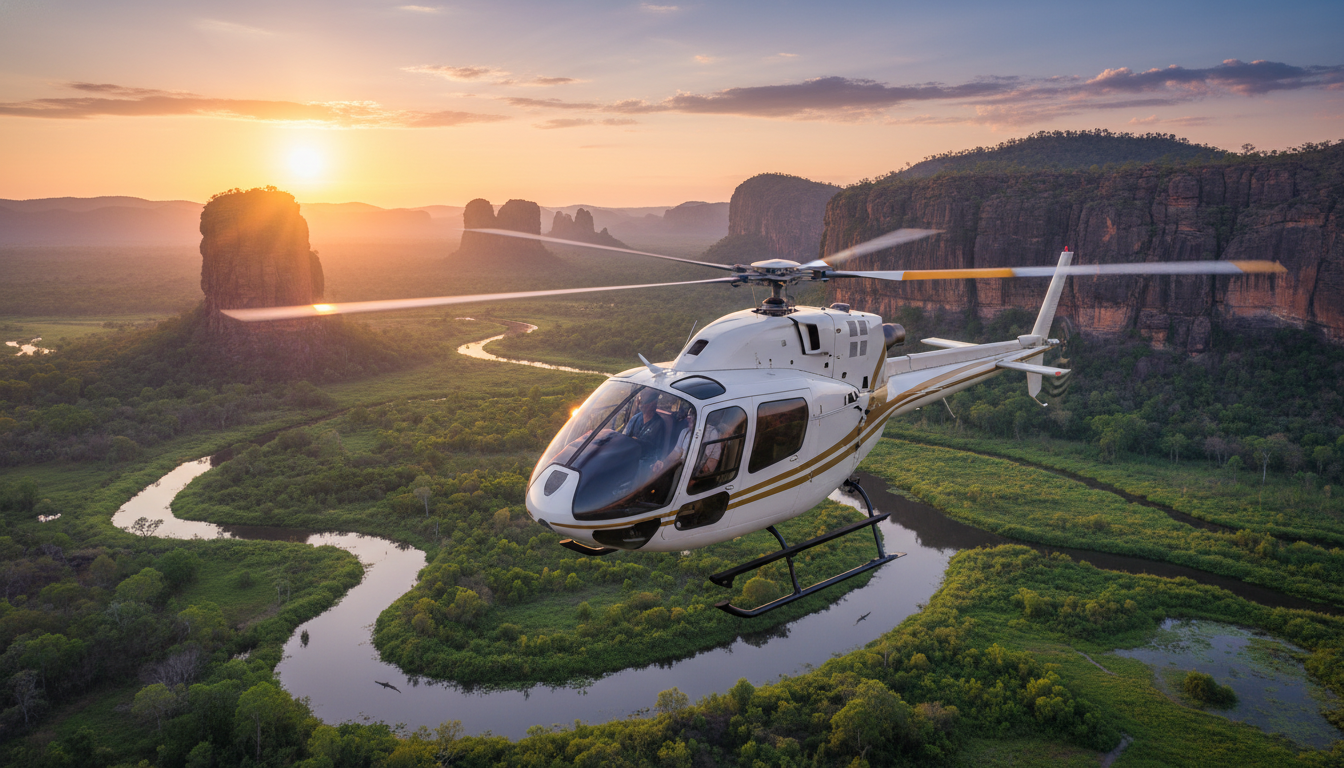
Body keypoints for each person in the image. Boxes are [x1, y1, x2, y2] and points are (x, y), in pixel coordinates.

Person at [624, 389, 667, 466]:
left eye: (645, 402)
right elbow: (625, 438)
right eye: (641, 402)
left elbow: (658, 449)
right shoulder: (635, 418)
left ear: (653, 404)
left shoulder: (659, 423)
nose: (641, 405)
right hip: (630, 456)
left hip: (646, 462)